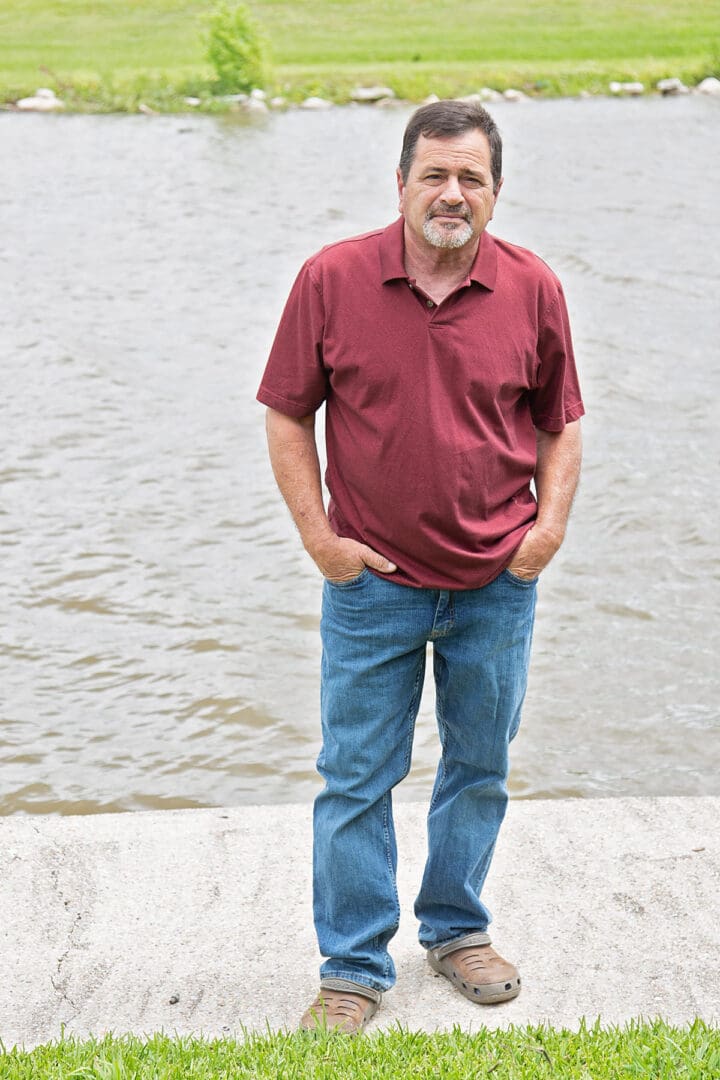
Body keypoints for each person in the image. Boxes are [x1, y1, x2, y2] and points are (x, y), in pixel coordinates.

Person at [257, 100, 584, 1034]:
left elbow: (560, 421)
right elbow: (287, 412)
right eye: (434, 174)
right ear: (399, 181)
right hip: (372, 586)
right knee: (357, 775)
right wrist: (321, 541)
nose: (452, 193)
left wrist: (545, 534)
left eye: (470, 177)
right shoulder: (332, 279)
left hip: (497, 584)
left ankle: (455, 931)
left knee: (477, 766)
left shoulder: (532, 287)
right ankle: (353, 968)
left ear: (494, 190)